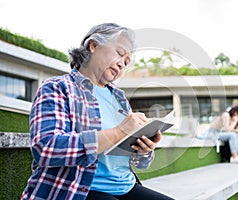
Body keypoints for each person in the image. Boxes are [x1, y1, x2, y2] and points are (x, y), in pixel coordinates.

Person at [21, 23, 173, 200]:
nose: (122, 65)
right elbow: (46, 147)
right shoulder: (57, 87)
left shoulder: (119, 98)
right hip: (77, 189)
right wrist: (120, 131)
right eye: (119, 53)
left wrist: (144, 150)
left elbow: (136, 162)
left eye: (126, 62)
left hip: (125, 186)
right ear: (93, 45)